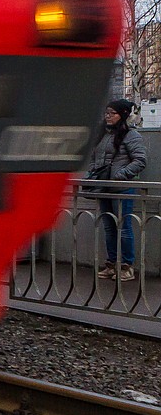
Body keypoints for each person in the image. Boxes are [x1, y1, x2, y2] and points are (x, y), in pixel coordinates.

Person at [86, 98, 147, 280]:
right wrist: (93, 172)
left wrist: (120, 175)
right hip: (103, 187)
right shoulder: (103, 135)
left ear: (123, 115)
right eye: (106, 113)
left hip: (121, 188)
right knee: (109, 227)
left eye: (112, 113)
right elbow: (94, 157)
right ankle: (112, 264)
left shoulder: (131, 135)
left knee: (124, 228)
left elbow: (140, 160)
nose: (108, 116)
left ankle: (127, 266)